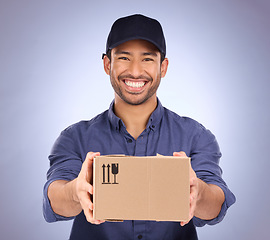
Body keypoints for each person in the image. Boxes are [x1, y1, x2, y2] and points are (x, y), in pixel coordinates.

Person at [43, 14, 236, 240]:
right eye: (124, 58)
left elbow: (216, 206)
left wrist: (199, 193)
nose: (135, 71)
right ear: (107, 64)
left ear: (163, 67)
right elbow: (54, 199)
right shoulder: (74, 137)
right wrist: (75, 192)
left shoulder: (195, 136)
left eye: (147, 59)